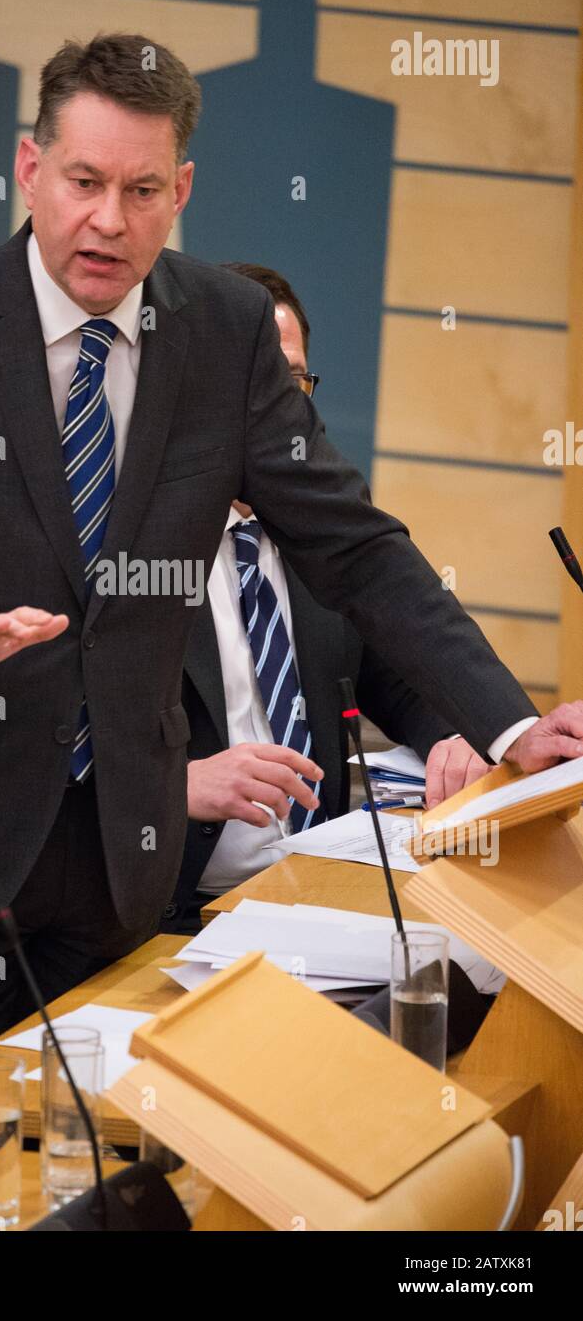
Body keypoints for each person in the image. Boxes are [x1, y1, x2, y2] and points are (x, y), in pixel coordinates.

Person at [0, 33, 583, 1138]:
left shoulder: (227, 332)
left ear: (180, 190)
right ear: (30, 168)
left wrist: (505, 726)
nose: (108, 219)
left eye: (142, 189)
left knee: (109, 1167)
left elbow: (356, 547)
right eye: (85, 182)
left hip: (125, 852)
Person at [163, 264, 488, 934]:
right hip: (167, 915)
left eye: (295, 380)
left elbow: (392, 674)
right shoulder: (130, 539)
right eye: (259, 379)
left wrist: (455, 733)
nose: (285, 405)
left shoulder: (325, 524)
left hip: (317, 898)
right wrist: (176, 787)